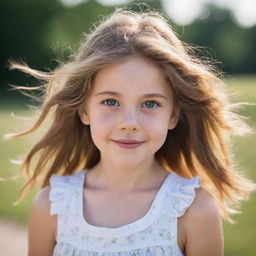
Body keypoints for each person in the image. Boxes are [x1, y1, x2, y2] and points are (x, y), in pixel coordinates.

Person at [6, 8, 256, 256]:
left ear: (173, 115)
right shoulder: (52, 206)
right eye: (111, 102)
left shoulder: (195, 211)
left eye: (150, 104)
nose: (129, 123)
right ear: (84, 111)